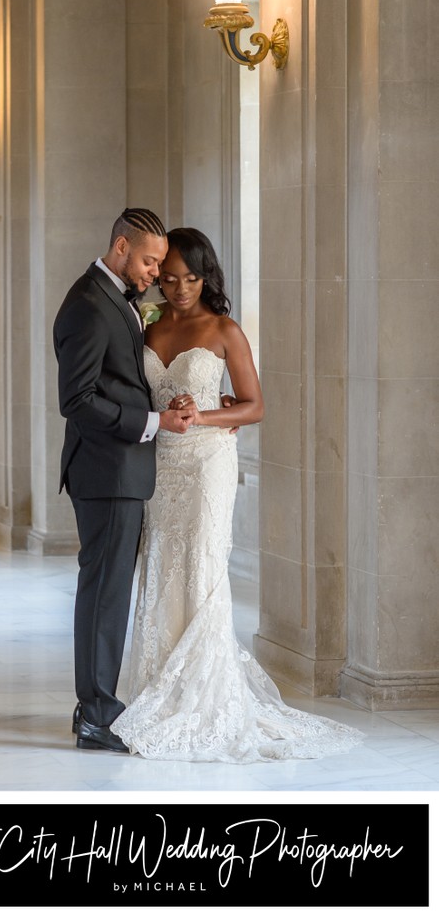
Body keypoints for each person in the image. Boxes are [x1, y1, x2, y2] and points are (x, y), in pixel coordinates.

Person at [112, 227, 364, 761]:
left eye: (192, 278)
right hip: (161, 465)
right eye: (172, 278)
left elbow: (254, 406)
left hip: (207, 465)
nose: (181, 288)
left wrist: (205, 412)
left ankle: (205, 697)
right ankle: (160, 687)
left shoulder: (225, 329)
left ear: (208, 277)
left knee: (201, 569)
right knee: (162, 564)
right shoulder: (148, 325)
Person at [53, 209, 197, 753]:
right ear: (120, 246)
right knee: (105, 594)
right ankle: (96, 713)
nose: (156, 273)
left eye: (159, 262)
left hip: (118, 471)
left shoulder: (115, 298)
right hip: (106, 471)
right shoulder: (89, 305)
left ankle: (93, 702)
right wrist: (153, 423)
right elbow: (77, 400)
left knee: (108, 590)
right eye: (149, 260)